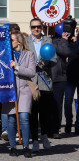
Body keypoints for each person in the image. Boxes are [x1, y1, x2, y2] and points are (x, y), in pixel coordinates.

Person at [1, 31, 36, 158]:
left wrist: (17, 67)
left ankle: (26, 146)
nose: (10, 42)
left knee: (24, 118)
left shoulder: (29, 54)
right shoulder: (6, 54)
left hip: (25, 90)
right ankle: (12, 147)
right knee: (11, 120)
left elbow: (32, 72)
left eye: (12, 40)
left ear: (19, 41)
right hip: (10, 90)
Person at [28, 17, 57, 151]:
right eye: (33, 27)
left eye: (38, 26)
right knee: (33, 113)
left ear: (41, 27)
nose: (36, 29)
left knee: (45, 112)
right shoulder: (26, 41)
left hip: (45, 80)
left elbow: (54, 58)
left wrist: (47, 62)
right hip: (31, 82)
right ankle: (34, 140)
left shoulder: (48, 40)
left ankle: (44, 136)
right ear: (30, 28)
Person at [49, 27, 71, 138]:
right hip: (45, 77)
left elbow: (66, 51)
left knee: (57, 104)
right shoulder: (40, 39)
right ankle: (46, 129)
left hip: (59, 77)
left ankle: (55, 129)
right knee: (46, 105)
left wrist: (52, 44)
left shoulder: (61, 39)